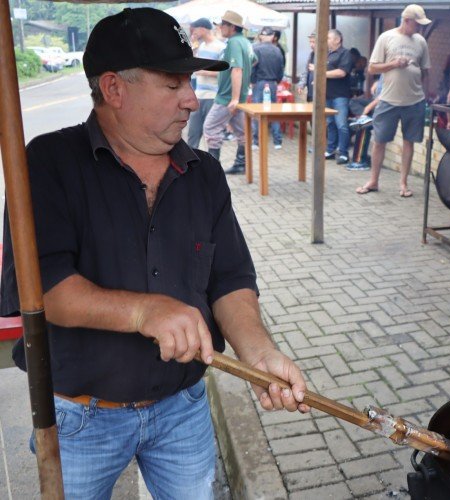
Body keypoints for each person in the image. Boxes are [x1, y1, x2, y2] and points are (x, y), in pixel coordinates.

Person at [0, 8, 308, 499]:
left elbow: (229, 279)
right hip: (79, 417)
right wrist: (145, 309)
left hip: (182, 408)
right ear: (114, 89)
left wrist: (259, 352)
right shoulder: (47, 163)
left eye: (189, 81)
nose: (191, 99)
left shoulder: (204, 174)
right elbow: (47, 290)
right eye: (172, 84)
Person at [357, 4, 432, 198]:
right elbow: (372, 69)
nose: (420, 28)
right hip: (388, 100)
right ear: (406, 21)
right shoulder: (386, 38)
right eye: (417, 24)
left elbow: (425, 71)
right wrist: (393, 64)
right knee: (379, 141)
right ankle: (373, 181)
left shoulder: (421, 41)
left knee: (409, 142)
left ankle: (404, 184)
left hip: (415, 101)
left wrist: (425, 92)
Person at [203, 10, 255, 174]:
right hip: (240, 96)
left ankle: (213, 170)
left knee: (210, 128)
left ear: (231, 27)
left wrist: (234, 98)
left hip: (228, 97)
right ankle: (241, 165)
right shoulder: (246, 42)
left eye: (222, 25)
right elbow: (252, 61)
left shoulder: (233, 43)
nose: (220, 28)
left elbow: (237, 69)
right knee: (242, 132)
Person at [186, 18, 226, 149]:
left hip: (213, 97)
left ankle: (211, 165)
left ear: (202, 29)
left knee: (211, 135)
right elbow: (192, 63)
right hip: (199, 95)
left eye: (195, 29)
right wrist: (193, 44)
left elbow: (224, 72)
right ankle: (191, 166)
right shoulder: (201, 46)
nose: (193, 32)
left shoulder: (221, 47)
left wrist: (203, 71)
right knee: (193, 134)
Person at [251, 27, 285, 150]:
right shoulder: (277, 50)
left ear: (261, 36)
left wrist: (252, 81)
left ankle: (256, 141)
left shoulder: (255, 48)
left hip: (259, 83)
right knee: (273, 111)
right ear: (272, 37)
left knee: (257, 112)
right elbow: (281, 69)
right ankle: (277, 141)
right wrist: (277, 81)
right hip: (273, 84)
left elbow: (253, 67)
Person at [324, 29, 354, 165]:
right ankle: (330, 150)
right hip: (327, 94)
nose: (326, 40)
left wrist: (321, 73)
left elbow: (342, 72)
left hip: (340, 95)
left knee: (341, 124)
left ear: (338, 39)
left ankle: (343, 153)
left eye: (329, 38)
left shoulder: (345, 53)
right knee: (330, 123)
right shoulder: (327, 54)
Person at [298, 32, 315, 102]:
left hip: (322, 93)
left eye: (314, 42)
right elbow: (306, 71)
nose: (311, 45)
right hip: (311, 92)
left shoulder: (326, 55)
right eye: (310, 42)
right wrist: (301, 85)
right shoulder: (311, 55)